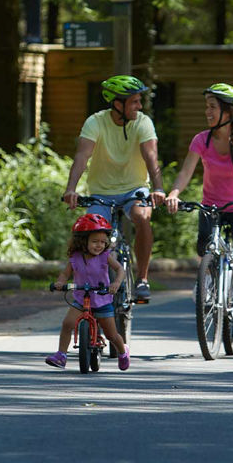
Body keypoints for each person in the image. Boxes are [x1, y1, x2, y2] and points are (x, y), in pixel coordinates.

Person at [164, 83, 233, 337]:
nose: (207, 112)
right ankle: (206, 278)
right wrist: (174, 193)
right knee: (204, 247)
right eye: (206, 107)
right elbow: (186, 171)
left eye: (212, 107)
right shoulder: (201, 140)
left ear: (229, 112)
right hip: (211, 205)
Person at [62, 75, 166, 300]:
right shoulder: (95, 122)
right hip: (101, 191)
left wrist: (158, 189)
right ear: (118, 104)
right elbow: (82, 155)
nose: (139, 106)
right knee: (90, 232)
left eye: (140, 101)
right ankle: (89, 283)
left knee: (142, 217)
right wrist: (71, 188)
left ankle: (142, 279)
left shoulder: (143, 122)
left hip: (134, 188)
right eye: (134, 102)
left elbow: (151, 156)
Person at [46, 213, 130, 371]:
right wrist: (60, 283)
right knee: (67, 324)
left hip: (102, 299)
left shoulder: (105, 256)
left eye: (103, 242)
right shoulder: (75, 257)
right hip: (81, 298)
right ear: (83, 241)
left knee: (112, 335)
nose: (99, 245)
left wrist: (116, 283)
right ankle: (61, 355)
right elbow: (65, 274)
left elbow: (119, 269)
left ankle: (122, 351)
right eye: (95, 242)